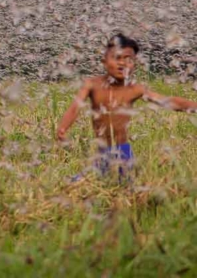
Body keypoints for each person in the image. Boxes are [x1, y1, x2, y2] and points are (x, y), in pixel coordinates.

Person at [56, 33, 197, 181]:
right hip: (102, 152)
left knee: (128, 187)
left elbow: (169, 101)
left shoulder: (134, 89)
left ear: (135, 64)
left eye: (128, 59)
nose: (122, 64)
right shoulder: (92, 84)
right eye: (117, 58)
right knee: (83, 184)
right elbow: (75, 107)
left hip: (123, 151)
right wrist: (63, 128)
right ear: (104, 61)